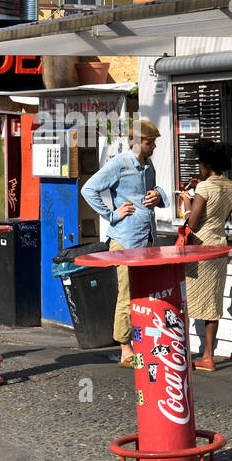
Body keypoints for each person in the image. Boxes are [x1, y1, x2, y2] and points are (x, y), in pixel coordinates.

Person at [81, 118, 169, 367]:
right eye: (150, 143)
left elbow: (150, 194)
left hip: (147, 237)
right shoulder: (120, 164)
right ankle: (125, 348)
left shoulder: (148, 166)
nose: (153, 147)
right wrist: (112, 214)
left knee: (147, 291)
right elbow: (88, 189)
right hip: (125, 239)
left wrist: (158, 195)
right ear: (137, 142)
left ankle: (144, 340)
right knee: (127, 292)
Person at [181, 140, 232, 372]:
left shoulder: (204, 188)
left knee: (188, 301)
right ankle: (208, 356)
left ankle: (182, 351)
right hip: (219, 247)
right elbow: (221, 219)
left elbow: (193, 223)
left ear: (206, 164)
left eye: (200, 164)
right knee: (212, 301)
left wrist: (187, 201)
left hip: (199, 247)